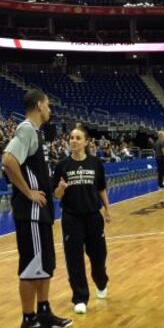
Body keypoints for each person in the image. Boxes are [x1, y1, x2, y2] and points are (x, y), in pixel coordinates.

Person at [2, 89, 72, 328]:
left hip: (40, 211)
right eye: (49, 105)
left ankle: (43, 312)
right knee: (31, 267)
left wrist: (53, 191)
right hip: (30, 212)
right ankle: (28, 322)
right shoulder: (26, 129)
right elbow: (8, 160)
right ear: (40, 105)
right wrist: (29, 193)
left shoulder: (35, 133)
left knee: (44, 265)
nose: (50, 110)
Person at [53, 124, 110, 314]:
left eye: (78, 138)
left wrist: (107, 209)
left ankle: (101, 281)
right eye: (71, 138)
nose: (74, 141)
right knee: (74, 259)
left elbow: (101, 188)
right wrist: (61, 188)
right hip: (71, 217)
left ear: (86, 142)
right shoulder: (62, 166)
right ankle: (80, 297)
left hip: (93, 216)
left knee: (99, 256)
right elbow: (56, 195)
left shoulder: (95, 163)